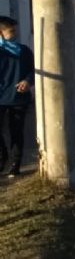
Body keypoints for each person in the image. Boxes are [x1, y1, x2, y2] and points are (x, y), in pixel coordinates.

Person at [0, 17, 33, 178]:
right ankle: (2, 156)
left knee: (16, 131)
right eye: (11, 31)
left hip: (18, 97)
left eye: (15, 30)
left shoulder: (24, 50)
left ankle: (15, 164)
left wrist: (27, 81)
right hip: (1, 96)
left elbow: (32, 70)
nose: (15, 34)